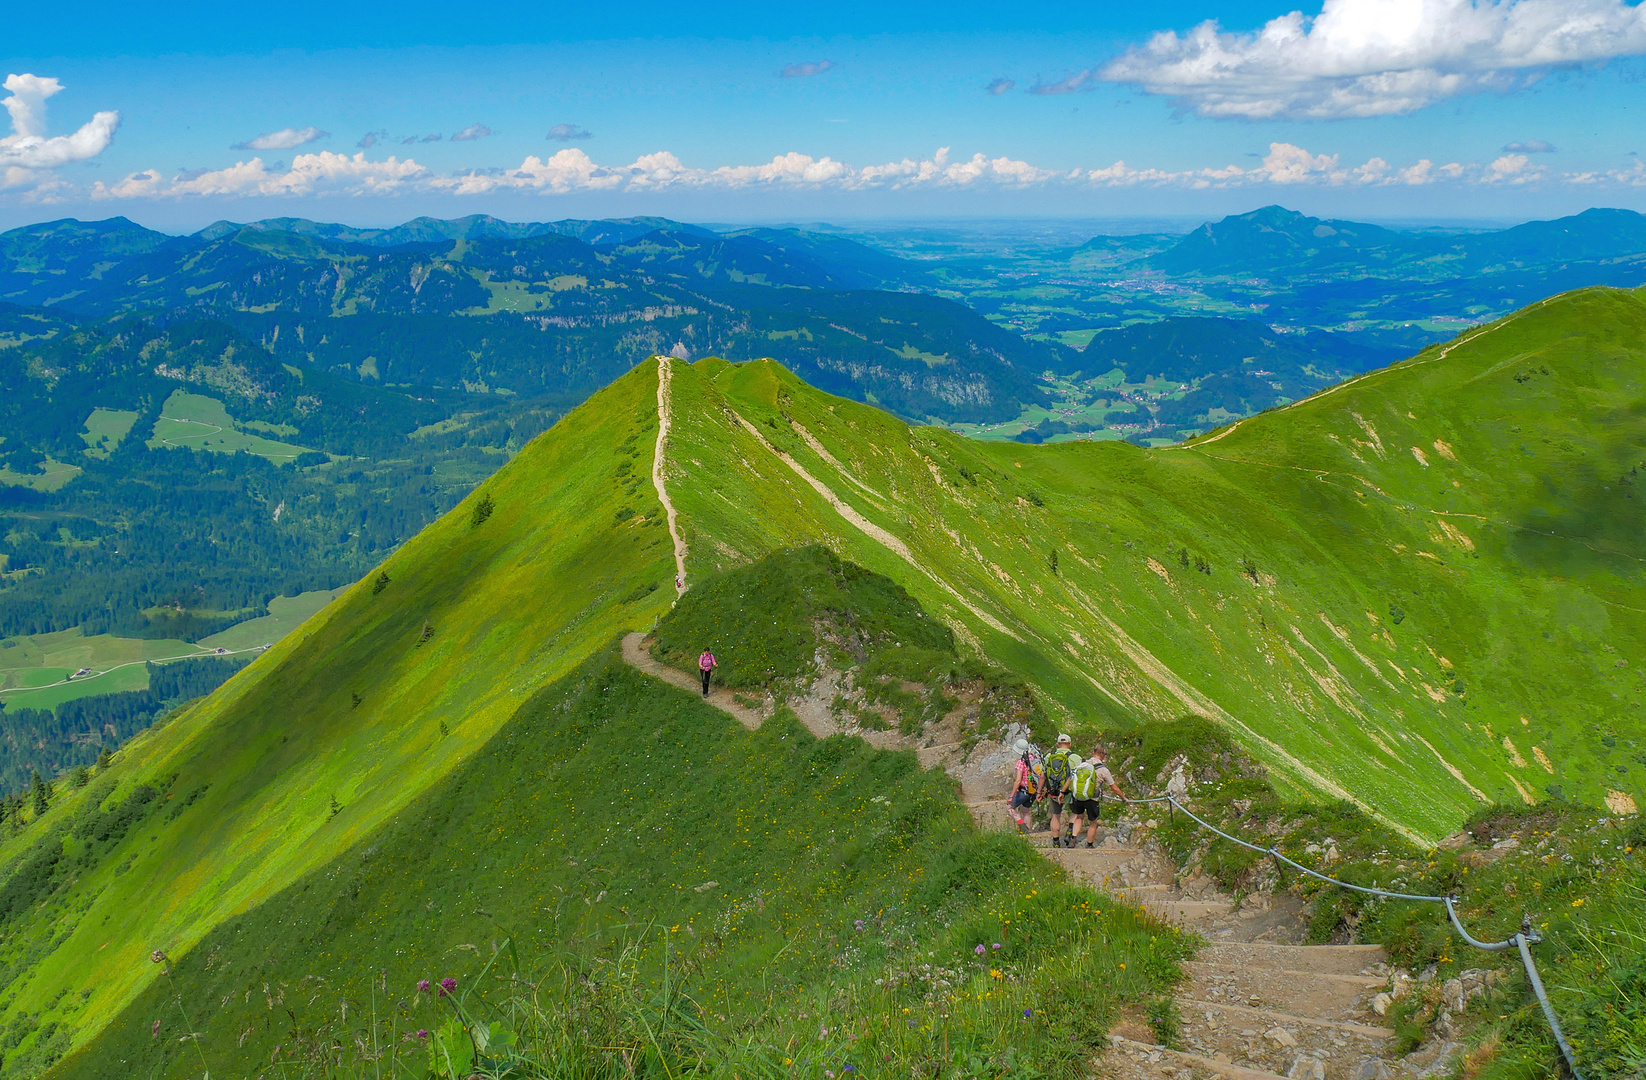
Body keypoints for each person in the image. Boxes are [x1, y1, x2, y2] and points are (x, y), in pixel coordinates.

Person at [1067, 743, 1127, 849]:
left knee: (1079, 817)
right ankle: (1089, 845)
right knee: (1093, 822)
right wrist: (1123, 797)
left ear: (1093, 752)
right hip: (1092, 798)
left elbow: (1072, 776)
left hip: (1078, 795)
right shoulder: (1103, 769)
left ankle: (1073, 837)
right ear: (1104, 756)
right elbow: (1114, 787)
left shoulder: (1081, 763)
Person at [1044, 734, 1075, 847]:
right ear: (1070, 744)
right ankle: (1070, 831)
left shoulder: (1048, 756)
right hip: (1070, 792)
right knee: (1076, 813)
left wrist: (1039, 792)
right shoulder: (1075, 757)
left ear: (1058, 744)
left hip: (1053, 791)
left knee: (1055, 815)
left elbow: (1043, 775)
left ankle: (1056, 841)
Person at [1007, 738, 1041, 834]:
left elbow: (1018, 781)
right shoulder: (1036, 759)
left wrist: (1011, 796)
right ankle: (1029, 833)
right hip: (1033, 790)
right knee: (1026, 811)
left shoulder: (1021, 762)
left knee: (1010, 808)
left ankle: (1023, 828)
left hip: (1023, 791)